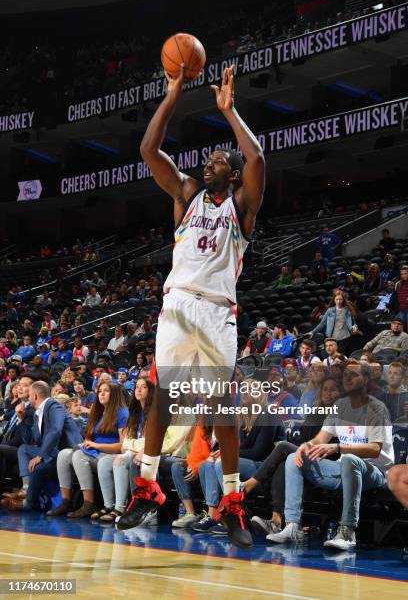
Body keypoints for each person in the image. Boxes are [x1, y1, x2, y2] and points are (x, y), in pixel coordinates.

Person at [116, 64, 265, 550]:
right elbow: (147, 151)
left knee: (222, 403)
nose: (210, 163)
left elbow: (257, 156)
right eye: (208, 160)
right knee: (162, 393)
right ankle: (146, 485)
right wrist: (173, 95)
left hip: (220, 309)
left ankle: (231, 502)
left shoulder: (240, 208)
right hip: (179, 303)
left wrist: (228, 110)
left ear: (234, 175)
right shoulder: (186, 195)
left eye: (220, 160)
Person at [267, 360, 394, 550]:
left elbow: (375, 449)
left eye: (354, 375)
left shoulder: (377, 408)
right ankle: (292, 525)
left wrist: (338, 448)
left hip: (375, 472)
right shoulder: (340, 405)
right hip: (342, 469)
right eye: (346, 376)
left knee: (351, 460)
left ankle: (348, 531)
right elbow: (320, 439)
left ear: (366, 380)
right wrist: (306, 445)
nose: (348, 379)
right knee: (293, 458)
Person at [246, 376, 342, 536]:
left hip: (326, 461)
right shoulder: (315, 413)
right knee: (285, 461)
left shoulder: (340, 415)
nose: (328, 393)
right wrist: (298, 450)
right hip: (305, 457)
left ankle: (249, 485)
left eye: (333, 390)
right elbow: (301, 439)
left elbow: (331, 446)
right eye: (325, 389)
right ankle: (276, 520)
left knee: (283, 447)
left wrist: (300, 449)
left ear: (340, 393)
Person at [47, 381, 128, 517]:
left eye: (106, 391)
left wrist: (97, 445)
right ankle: (66, 502)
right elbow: (91, 437)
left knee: (79, 456)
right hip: (95, 452)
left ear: (114, 394)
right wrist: (86, 443)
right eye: (100, 390)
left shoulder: (122, 413)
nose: (101, 393)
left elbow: (123, 445)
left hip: (110, 455)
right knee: (63, 454)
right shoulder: (99, 412)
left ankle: (89, 503)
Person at [1, 381, 82, 511]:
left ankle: (29, 504)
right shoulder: (37, 412)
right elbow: (29, 441)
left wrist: (40, 455)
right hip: (53, 453)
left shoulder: (54, 406)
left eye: (30, 395)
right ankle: (26, 489)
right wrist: (20, 418)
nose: (28, 398)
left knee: (38, 468)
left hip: (67, 454)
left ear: (35, 396)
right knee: (24, 449)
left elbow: (56, 430)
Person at [95, 378, 154, 522]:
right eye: (137, 387)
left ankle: (120, 508)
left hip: (148, 453)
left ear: (150, 391)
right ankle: (108, 505)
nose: (138, 390)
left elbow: (152, 440)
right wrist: (131, 448)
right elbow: (126, 442)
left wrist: (133, 448)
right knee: (104, 463)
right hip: (131, 451)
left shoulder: (155, 412)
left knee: (120, 461)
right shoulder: (134, 412)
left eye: (143, 387)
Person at [387, 265, 408, 329]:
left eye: (405, 273)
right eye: (402, 274)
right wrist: (389, 306)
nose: (403, 275)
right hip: (401, 309)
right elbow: (394, 296)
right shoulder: (398, 284)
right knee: (398, 328)